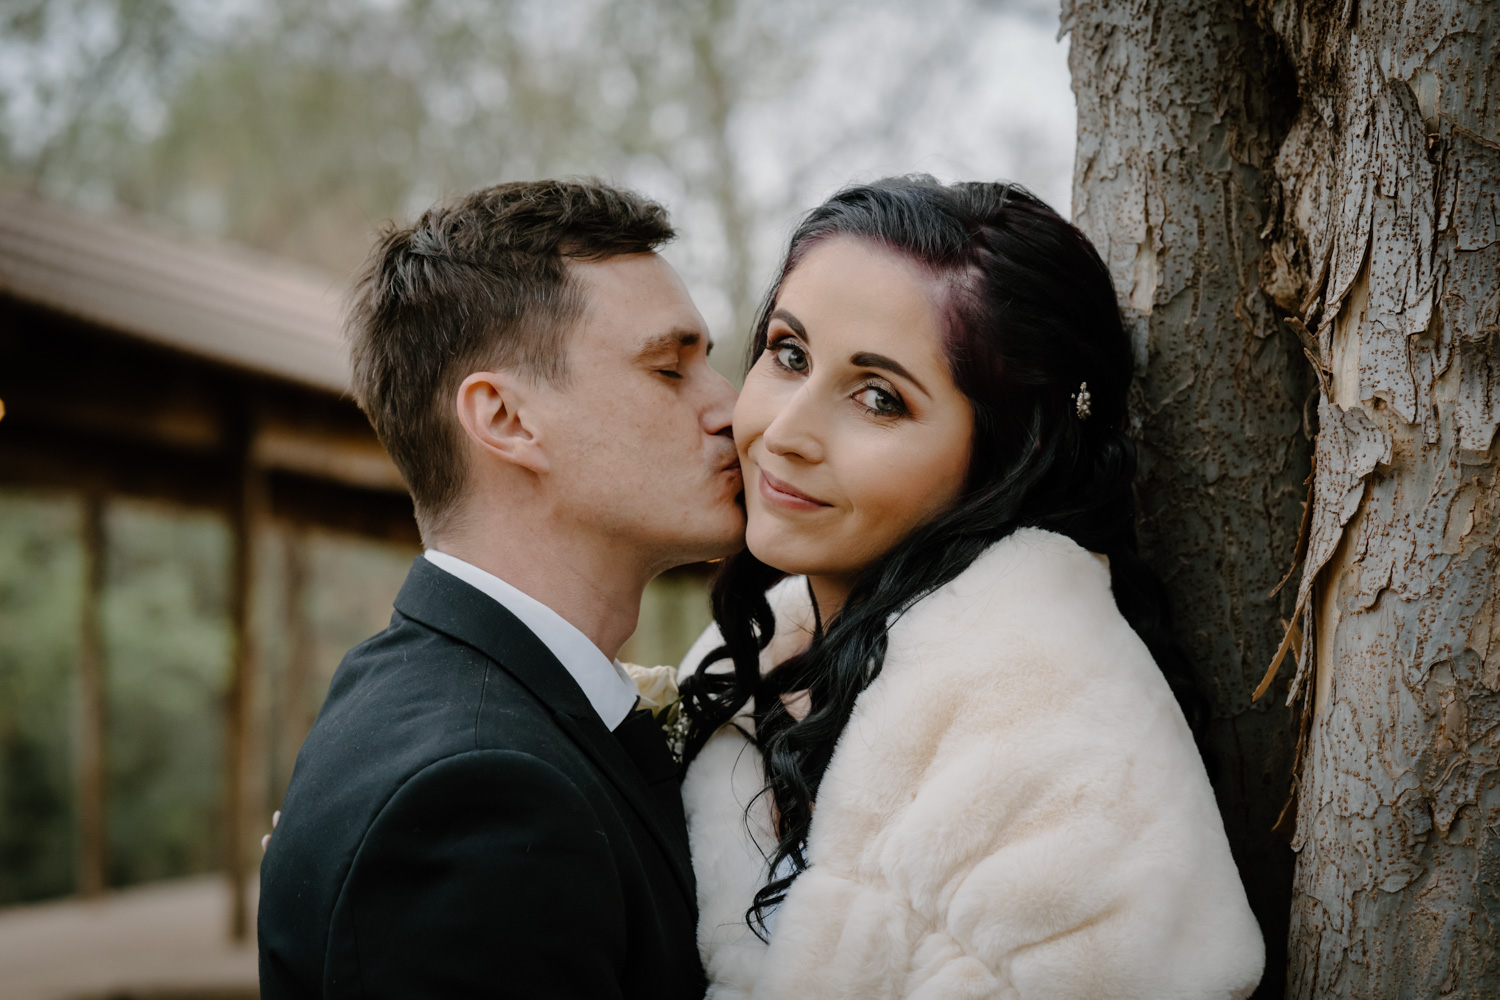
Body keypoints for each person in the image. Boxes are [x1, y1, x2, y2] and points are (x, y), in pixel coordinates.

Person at [677, 177, 1265, 999]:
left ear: (1007, 456)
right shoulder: (754, 666)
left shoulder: (1061, 736)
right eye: (789, 354)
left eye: (879, 398)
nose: (784, 432)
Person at [257, 180, 743, 999]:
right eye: (670, 368)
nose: (731, 407)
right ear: (506, 420)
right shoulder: (478, 798)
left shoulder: (432, 695)